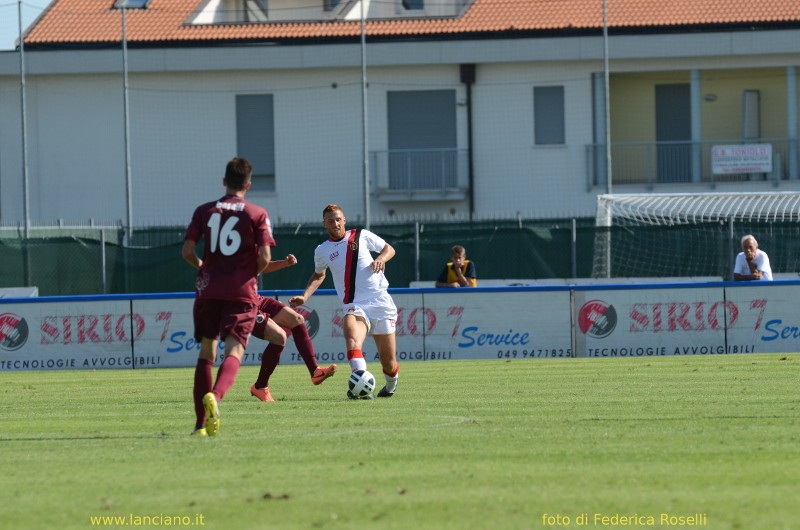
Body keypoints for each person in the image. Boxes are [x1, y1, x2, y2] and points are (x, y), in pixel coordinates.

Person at [182, 157, 274, 437]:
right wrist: (249, 274)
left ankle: (199, 425)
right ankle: (216, 397)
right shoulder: (257, 213)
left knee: (206, 353)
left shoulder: (204, 211)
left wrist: (203, 268)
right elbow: (265, 257)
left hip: (208, 290)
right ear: (248, 184)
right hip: (240, 292)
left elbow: (187, 251)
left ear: (224, 181)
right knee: (234, 350)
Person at [288, 204, 399, 399]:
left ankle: (390, 386)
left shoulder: (361, 235)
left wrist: (381, 258)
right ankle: (361, 386)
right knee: (352, 337)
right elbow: (318, 275)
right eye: (330, 221)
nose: (335, 223)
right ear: (325, 224)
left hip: (380, 302)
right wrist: (304, 296)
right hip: (354, 304)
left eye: (338, 219)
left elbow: (389, 249)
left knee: (388, 363)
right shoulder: (322, 250)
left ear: (344, 220)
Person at [248, 253, 337, 402]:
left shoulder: (248, 242)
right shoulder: (228, 248)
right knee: (279, 337)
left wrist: (284, 263)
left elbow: (260, 266)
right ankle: (260, 386)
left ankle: (315, 371)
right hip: (242, 304)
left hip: (256, 299)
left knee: (297, 319)